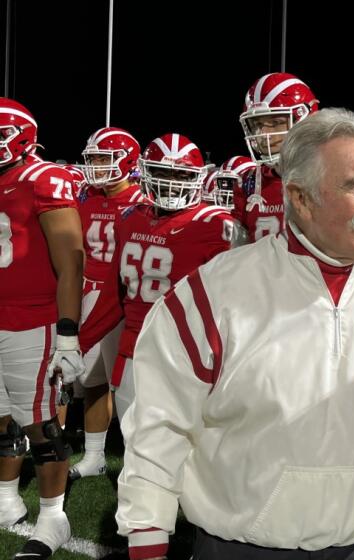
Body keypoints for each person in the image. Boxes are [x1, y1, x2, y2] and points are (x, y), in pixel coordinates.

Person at [115, 108, 354, 560]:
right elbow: (159, 424)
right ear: (301, 198)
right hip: (241, 545)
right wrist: (147, 536)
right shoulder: (216, 291)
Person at [79, 133, 236, 421]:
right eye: (162, 172)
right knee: (135, 446)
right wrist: (78, 343)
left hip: (189, 352)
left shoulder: (216, 224)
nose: (170, 182)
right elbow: (115, 296)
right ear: (145, 172)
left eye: (180, 174)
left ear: (197, 178)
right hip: (134, 348)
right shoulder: (130, 217)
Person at [0, 97, 85, 558]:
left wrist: (68, 332)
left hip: (32, 320)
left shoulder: (43, 177)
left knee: (40, 423)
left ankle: (54, 517)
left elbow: (71, 260)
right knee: (1, 420)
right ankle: (6, 501)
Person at [70, 126, 145, 480]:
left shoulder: (140, 201)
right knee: (90, 381)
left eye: (105, 158)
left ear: (127, 161)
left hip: (120, 298)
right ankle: (95, 455)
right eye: (94, 159)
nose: (97, 166)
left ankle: (139, 461)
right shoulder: (86, 195)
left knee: (126, 385)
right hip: (84, 291)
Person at [233, 72, 319, 241]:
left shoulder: (332, 175)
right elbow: (239, 254)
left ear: (305, 121)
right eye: (257, 124)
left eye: (276, 122)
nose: (264, 134)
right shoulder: (248, 184)